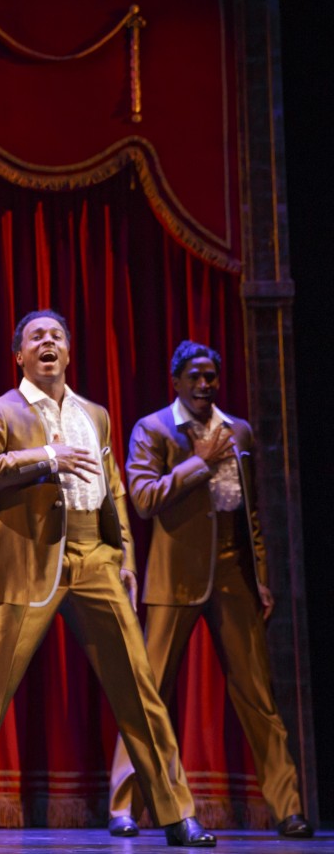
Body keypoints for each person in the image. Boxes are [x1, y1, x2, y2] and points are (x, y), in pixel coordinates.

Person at [0, 310, 216, 847]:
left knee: (140, 691)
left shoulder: (95, 414)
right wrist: (45, 457)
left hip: (95, 556)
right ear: (19, 355)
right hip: (30, 560)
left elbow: (114, 486)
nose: (48, 343)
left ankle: (176, 813)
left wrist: (126, 556)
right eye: (35, 338)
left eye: (57, 336)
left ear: (68, 351)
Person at [106, 340, 313, 839]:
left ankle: (288, 808)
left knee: (259, 698)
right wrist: (197, 461)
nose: (204, 386)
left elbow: (251, 514)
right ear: (176, 380)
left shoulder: (237, 429)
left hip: (233, 577)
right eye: (194, 377)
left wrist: (259, 576)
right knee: (148, 693)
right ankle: (123, 807)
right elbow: (143, 498)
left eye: (211, 377)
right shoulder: (153, 429)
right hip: (174, 577)